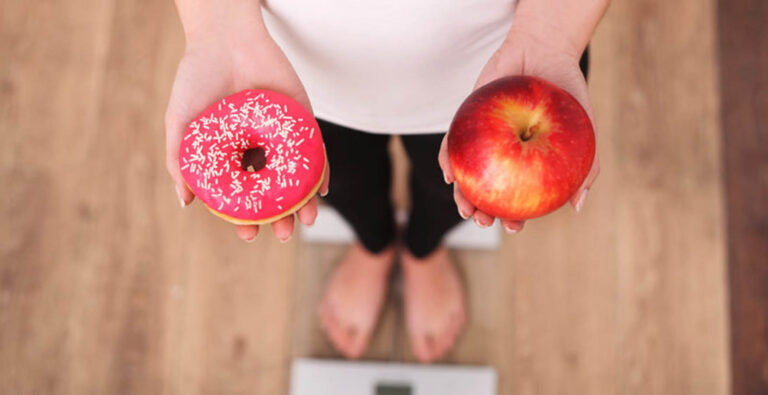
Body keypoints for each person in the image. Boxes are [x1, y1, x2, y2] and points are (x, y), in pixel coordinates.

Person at [165, 0, 607, 363]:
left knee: (449, 192)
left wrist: (553, 34)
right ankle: (373, 245)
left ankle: (423, 250)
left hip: (502, 66)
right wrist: (215, 24)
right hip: (283, 67)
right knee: (343, 181)